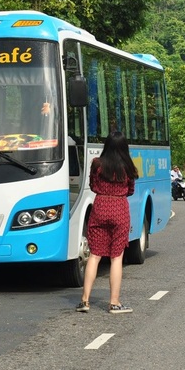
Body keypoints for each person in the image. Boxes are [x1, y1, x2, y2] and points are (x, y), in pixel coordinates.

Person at [77, 131, 138, 314]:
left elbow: (93, 186)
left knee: (95, 255)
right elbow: (130, 190)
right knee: (116, 256)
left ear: (107, 146)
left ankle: (85, 301)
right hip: (119, 208)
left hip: (100, 207)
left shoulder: (97, 164)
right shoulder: (128, 167)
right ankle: (114, 303)